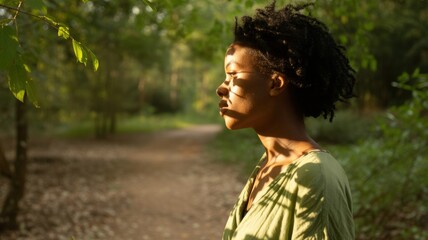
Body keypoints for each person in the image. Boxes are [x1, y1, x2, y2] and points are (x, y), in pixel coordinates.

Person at [216, 2, 355, 240]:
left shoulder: (315, 177)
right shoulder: (268, 165)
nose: (221, 88)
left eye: (233, 75)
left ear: (275, 83)